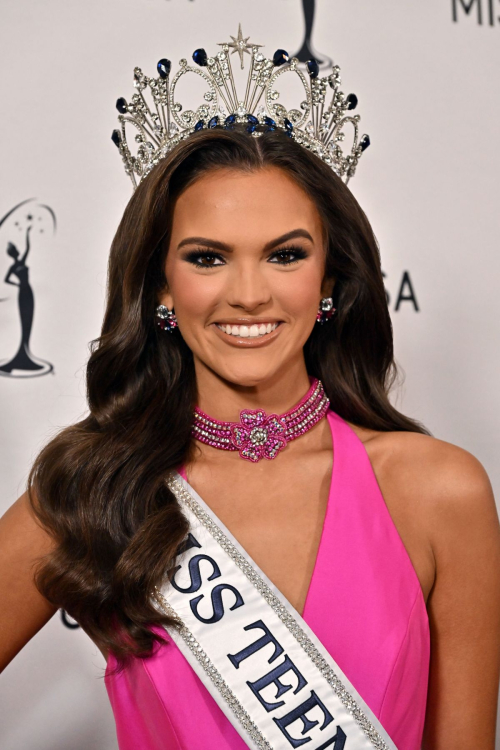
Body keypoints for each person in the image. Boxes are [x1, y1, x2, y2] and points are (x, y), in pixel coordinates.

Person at [1, 36, 500, 750]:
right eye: (207, 258)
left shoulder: (440, 492)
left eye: (285, 254)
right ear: (162, 287)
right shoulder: (100, 489)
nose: (247, 294)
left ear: (328, 281)